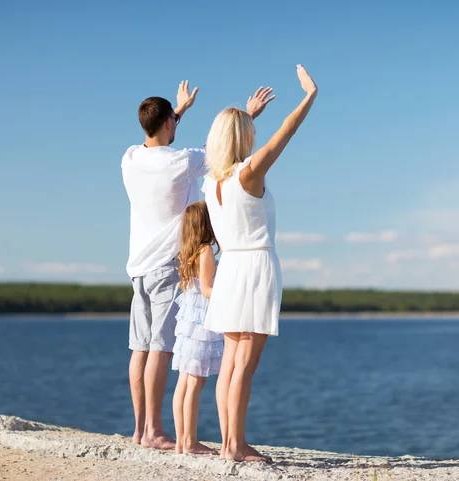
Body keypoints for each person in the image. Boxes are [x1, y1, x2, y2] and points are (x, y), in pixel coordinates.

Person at [121, 81, 275, 449]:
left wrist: (177, 110)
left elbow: (158, 133)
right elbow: (219, 150)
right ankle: (155, 432)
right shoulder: (180, 162)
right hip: (166, 263)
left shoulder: (130, 157)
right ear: (168, 124)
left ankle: (140, 428)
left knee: (139, 347)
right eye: (173, 120)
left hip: (137, 265)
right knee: (161, 346)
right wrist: (248, 116)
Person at [202, 65, 318, 462]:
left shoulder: (211, 181)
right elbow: (284, 134)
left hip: (230, 269)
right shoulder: (249, 174)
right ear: (243, 139)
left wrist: (246, 116)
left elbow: (229, 144)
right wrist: (309, 96)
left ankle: (227, 442)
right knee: (244, 366)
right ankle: (235, 446)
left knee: (231, 363)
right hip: (254, 269)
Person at [172, 201, 222, 455]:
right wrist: (230, 295)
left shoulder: (188, 251)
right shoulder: (205, 252)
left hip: (187, 325)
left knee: (184, 382)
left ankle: (182, 440)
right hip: (201, 324)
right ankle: (190, 442)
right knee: (194, 382)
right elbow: (206, 289)